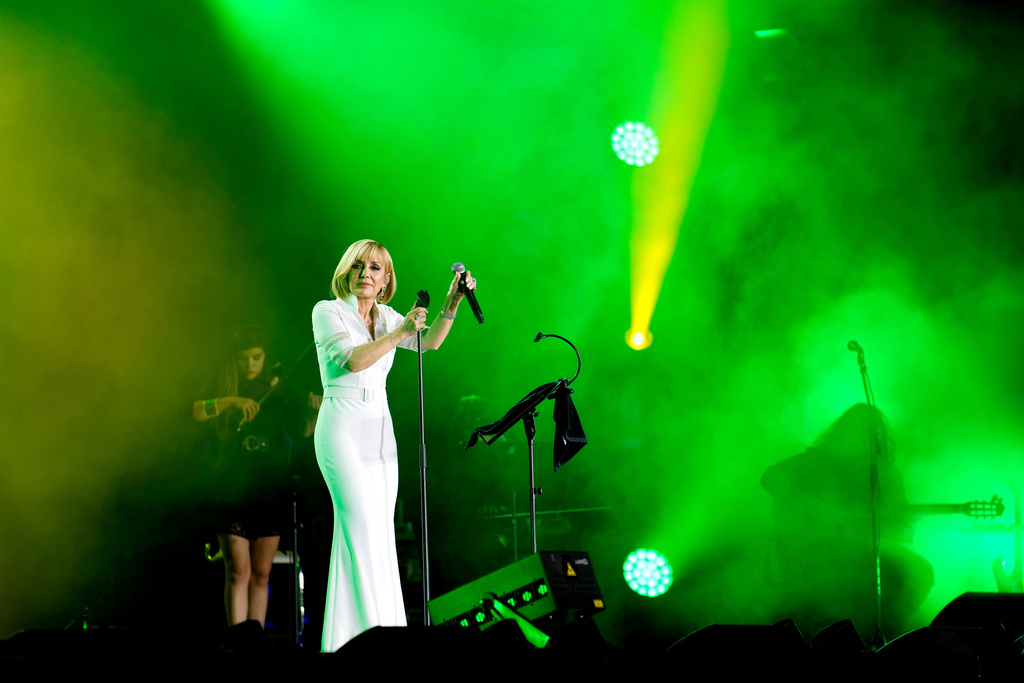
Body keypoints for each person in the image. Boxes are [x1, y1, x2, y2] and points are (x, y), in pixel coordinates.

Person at [311, 238, 476, 652]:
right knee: (360, 527)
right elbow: (352, 360)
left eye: (375, 269)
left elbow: (430, 342)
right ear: (346, 272)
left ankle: (363, 637)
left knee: (380, 533)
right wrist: (401, 330)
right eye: (358, 267)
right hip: (342, 425)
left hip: (379, 426)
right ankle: (368, 642)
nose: (365, 274)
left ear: (386, 280)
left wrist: (450, 304)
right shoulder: (328, 311)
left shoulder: (386, 315)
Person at [761, 403, 934, 641]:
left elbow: (892, 533)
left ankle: (885, 641)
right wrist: (816, 506)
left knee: (921, 572)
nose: (866, 438)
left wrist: (908, 525)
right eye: (860, 431)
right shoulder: (818, 461)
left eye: (872, 433)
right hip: (814, 551)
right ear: (844, 432)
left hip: (863, 551)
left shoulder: (887, 474)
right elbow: (770, 477)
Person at [192, 326, 320, 628]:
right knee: (238, 569)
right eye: (244, 359)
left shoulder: (276, 389)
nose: (251, 365)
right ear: (234, 360)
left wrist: (313, 415)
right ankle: (238, 641)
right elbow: (197, 410)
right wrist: (231, 401)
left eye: (257, 358)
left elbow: (298, 434)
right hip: (232, 482)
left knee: (262, 572)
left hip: (269, 482)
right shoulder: (225, 384)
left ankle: (255, 639)